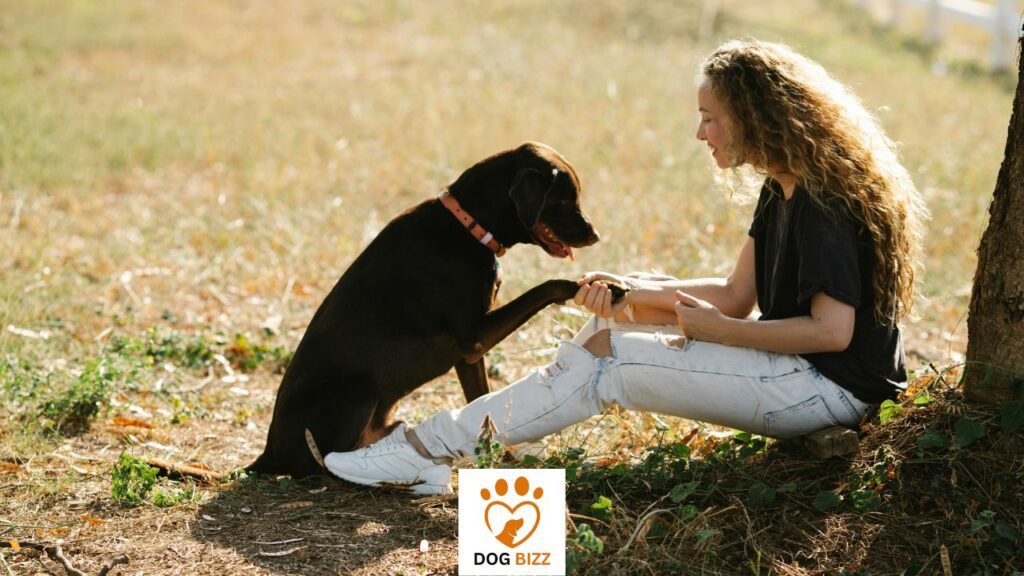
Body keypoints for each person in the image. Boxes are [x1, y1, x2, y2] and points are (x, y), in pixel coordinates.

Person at [322, 39, 927, 495]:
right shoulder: (782, 188)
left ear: (759, 116)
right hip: (797, 369)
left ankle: (419, 447)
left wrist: (719, 332)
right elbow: (735, 294)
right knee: (603, 333)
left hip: (829, 390)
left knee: (611, 362)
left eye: (711, 118)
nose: (701, 132)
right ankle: (434, 459)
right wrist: (632, 292)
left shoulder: (824, 204)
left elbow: (831, 333)